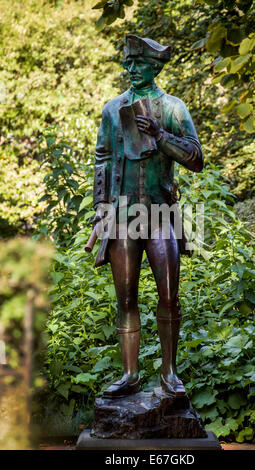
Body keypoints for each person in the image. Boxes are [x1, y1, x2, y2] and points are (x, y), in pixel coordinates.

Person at [92, 35, 203, 398]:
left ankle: (170, 374)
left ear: (154, 66)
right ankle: (130, 375)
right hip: (123, 216)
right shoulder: (112, 110)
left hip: (160, 212)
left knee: (168, 296)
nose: (131, 68)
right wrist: (100, 211)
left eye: (138, 63)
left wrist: (161, 134)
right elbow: (103, 160)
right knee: (126, 300)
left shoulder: (173, 108)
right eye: (128, 62)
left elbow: (196, 158)